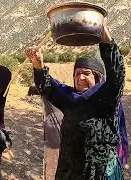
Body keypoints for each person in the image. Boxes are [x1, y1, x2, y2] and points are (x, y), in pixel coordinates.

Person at [26, 26, 126, 179]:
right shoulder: (69, 98)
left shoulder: (108, 97)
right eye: (77, 74)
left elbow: (117, 72)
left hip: (99, 172)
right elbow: (47, 87)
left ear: (98, 77)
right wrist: (38, 64)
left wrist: (105, 37)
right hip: (69, 171)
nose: (80, 78)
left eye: (86, 73)